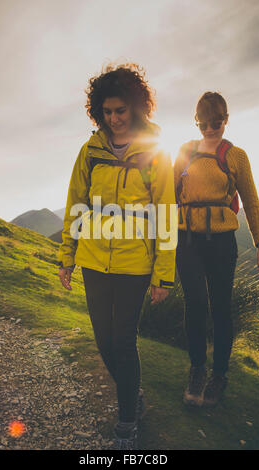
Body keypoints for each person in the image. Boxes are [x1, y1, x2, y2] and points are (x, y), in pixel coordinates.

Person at [58, 63, 176, 449]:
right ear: (98, 111)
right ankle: (133, 393)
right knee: (104, 342)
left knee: (123, 341)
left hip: (134, 264)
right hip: (94, 261)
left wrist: (164, 274)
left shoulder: (156, 153)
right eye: (106, 112)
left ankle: (128, 419)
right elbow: (76, 203)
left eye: (120, 111)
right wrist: (67, 256)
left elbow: (166, 214)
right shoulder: (90, 151)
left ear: (136, 108)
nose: (114, 118)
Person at [174, 91, 259, 407]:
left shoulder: (237, 156)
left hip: (221, 241)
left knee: (219, 307)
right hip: (186, 238)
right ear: (197, 122)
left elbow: (252, 201)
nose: (210, 129)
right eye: (204, 124)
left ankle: (219, 375)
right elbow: (167, 194)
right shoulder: (184, 152)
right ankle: (197, 369)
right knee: (195, 302)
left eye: (216, 123)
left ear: (226, 120)